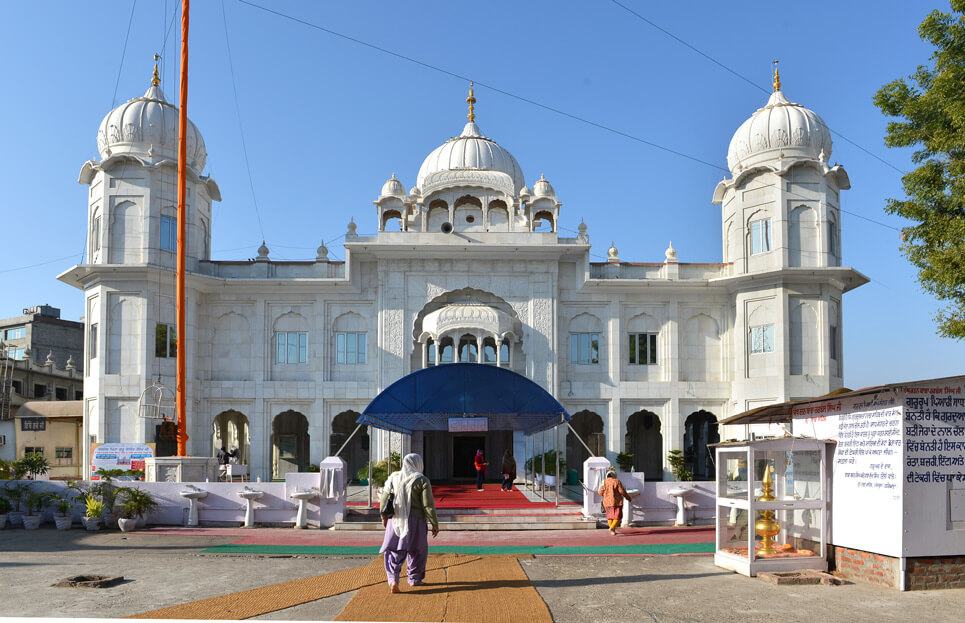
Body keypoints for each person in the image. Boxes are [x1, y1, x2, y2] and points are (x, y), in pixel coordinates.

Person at [379, 453, 439, 593]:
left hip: (395, 520)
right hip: (416, 522)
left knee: (394, 551)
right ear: (418, 464)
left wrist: (384, 517)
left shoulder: (393, 477)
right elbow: (428, 505)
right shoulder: (422, 480)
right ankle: (415, 579)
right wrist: (434, 523)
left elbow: (384, 500)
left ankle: (393, 580)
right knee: (417, 551)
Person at [598, 467, 632, 536]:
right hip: (616, 502)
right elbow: (622, 491)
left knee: (610, 516)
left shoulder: (604, 482)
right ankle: (612, 528)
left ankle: (612, 530)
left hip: (607, 502)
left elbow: (600, 492)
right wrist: (628, 497)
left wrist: (606, 495)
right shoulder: (617, 481)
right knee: (619, 516)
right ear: (614, 475)